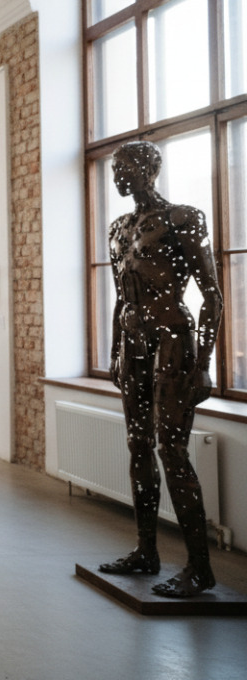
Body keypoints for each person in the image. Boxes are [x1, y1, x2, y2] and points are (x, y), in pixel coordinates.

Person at [98, 140, 223, 598]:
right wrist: (116, 349)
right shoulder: (118, 228)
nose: (118, 176)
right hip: (133, 344)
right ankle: (146, 551)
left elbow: (212, 297)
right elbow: (120, 298)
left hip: (172, 342)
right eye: (114, 169)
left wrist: (204, 364)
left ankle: (200, 567)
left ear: (149, 170)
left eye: (125, 167)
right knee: (138, 445)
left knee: (172, 450)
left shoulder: (183, 219)